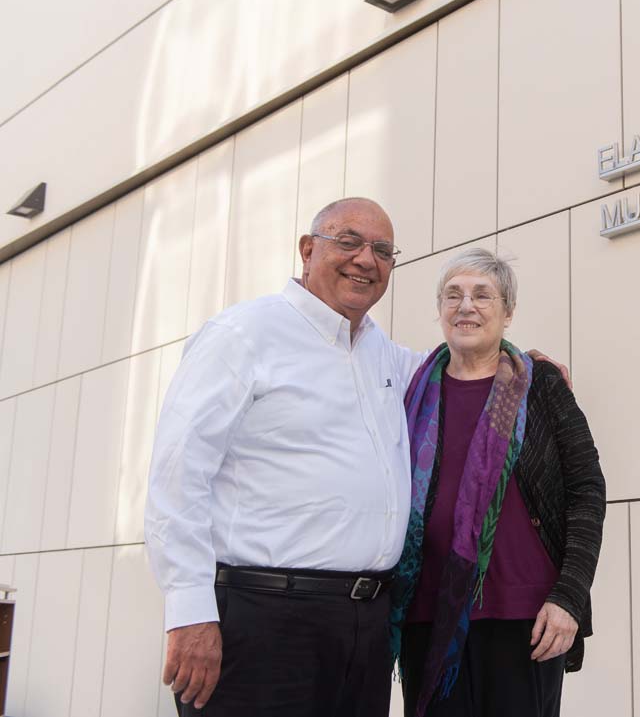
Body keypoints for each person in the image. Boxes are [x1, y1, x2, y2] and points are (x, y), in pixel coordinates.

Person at [145, 198, 566, 717]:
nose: (366, 259)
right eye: (348, 242)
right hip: (264, 618)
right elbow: (177, 476)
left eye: (382, 250)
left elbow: (464, 364)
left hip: (366, 627)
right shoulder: (242, 336)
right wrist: (189, 611)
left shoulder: (381, 352)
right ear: (307, 250)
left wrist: (525, 363)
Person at [390, 248, 605, 717]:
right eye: (453, 295)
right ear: (440, 309)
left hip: (524, 617)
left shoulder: (539, 383)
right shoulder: (411, 388)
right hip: (429, 615)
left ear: (508, 312)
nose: (466, 306)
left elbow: (586, 490)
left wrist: (569, 597)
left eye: (482, 295)